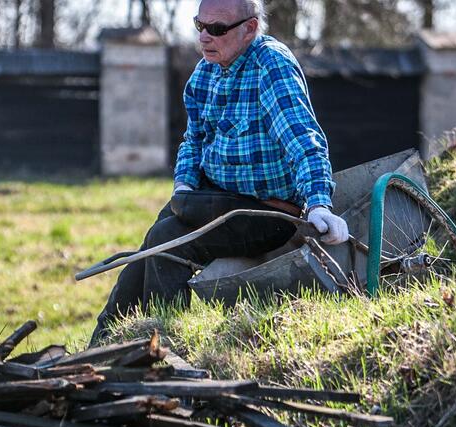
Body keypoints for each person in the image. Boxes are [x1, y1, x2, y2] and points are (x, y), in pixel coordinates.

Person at [88, 0, 348, 346]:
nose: (205, 38)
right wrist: (184, 184)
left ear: (250, 29)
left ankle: (166, 349)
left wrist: (318, 204)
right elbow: (193, 142)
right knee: (145, 253)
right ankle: (101, 347)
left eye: (217, 29)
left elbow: (303, 140)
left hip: (267, 211)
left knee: (168, 244)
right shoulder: (204, 74)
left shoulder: (271, 66)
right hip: (213, 197)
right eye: (200, 26)